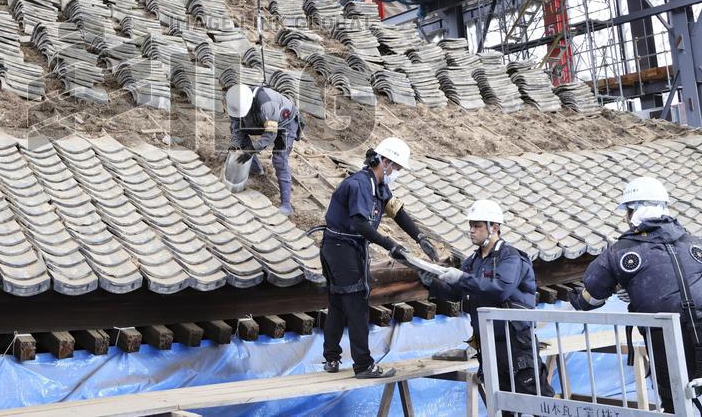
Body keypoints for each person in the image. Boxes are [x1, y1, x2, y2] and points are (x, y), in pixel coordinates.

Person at [570, 176, 702, 413]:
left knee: (675, 404)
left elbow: (592, 297)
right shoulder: (695, 242)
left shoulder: (620, 252)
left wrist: (579, 299)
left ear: (632, 212)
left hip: (666, 339)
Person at [320, 137, 441, 378]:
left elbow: (397, 211)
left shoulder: (378, 185)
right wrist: (391, 245)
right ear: (384, 162)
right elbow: (360, 224)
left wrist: (420, 237)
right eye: (396, 168)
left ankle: (331, 358)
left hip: (339, 247)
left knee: (339, 302)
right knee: (356, 305)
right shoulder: (360, 185)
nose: (396, 173)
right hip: (343, 248)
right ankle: (363, 366)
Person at [423, 199, 552, 415]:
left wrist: (462, 278)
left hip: (516, 343)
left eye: (477, 226)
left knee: (539, 402)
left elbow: (501, 289)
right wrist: (431, 283)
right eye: (470, 226)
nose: (471, 231)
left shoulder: (510, 257)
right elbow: (457, 293)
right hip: (488, 344)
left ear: (494, 227)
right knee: (504, 404)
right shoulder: (473, 261)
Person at [226, 83, 302, 216]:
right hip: (259, 120)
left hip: (286, 123)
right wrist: (235, 143)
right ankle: (256, 169)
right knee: (241, 140)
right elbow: (236, 127)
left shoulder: (266, 105)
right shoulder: (235, 102)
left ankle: (286, 205)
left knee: (279, 159)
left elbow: (270, 135)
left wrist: (252, 149)